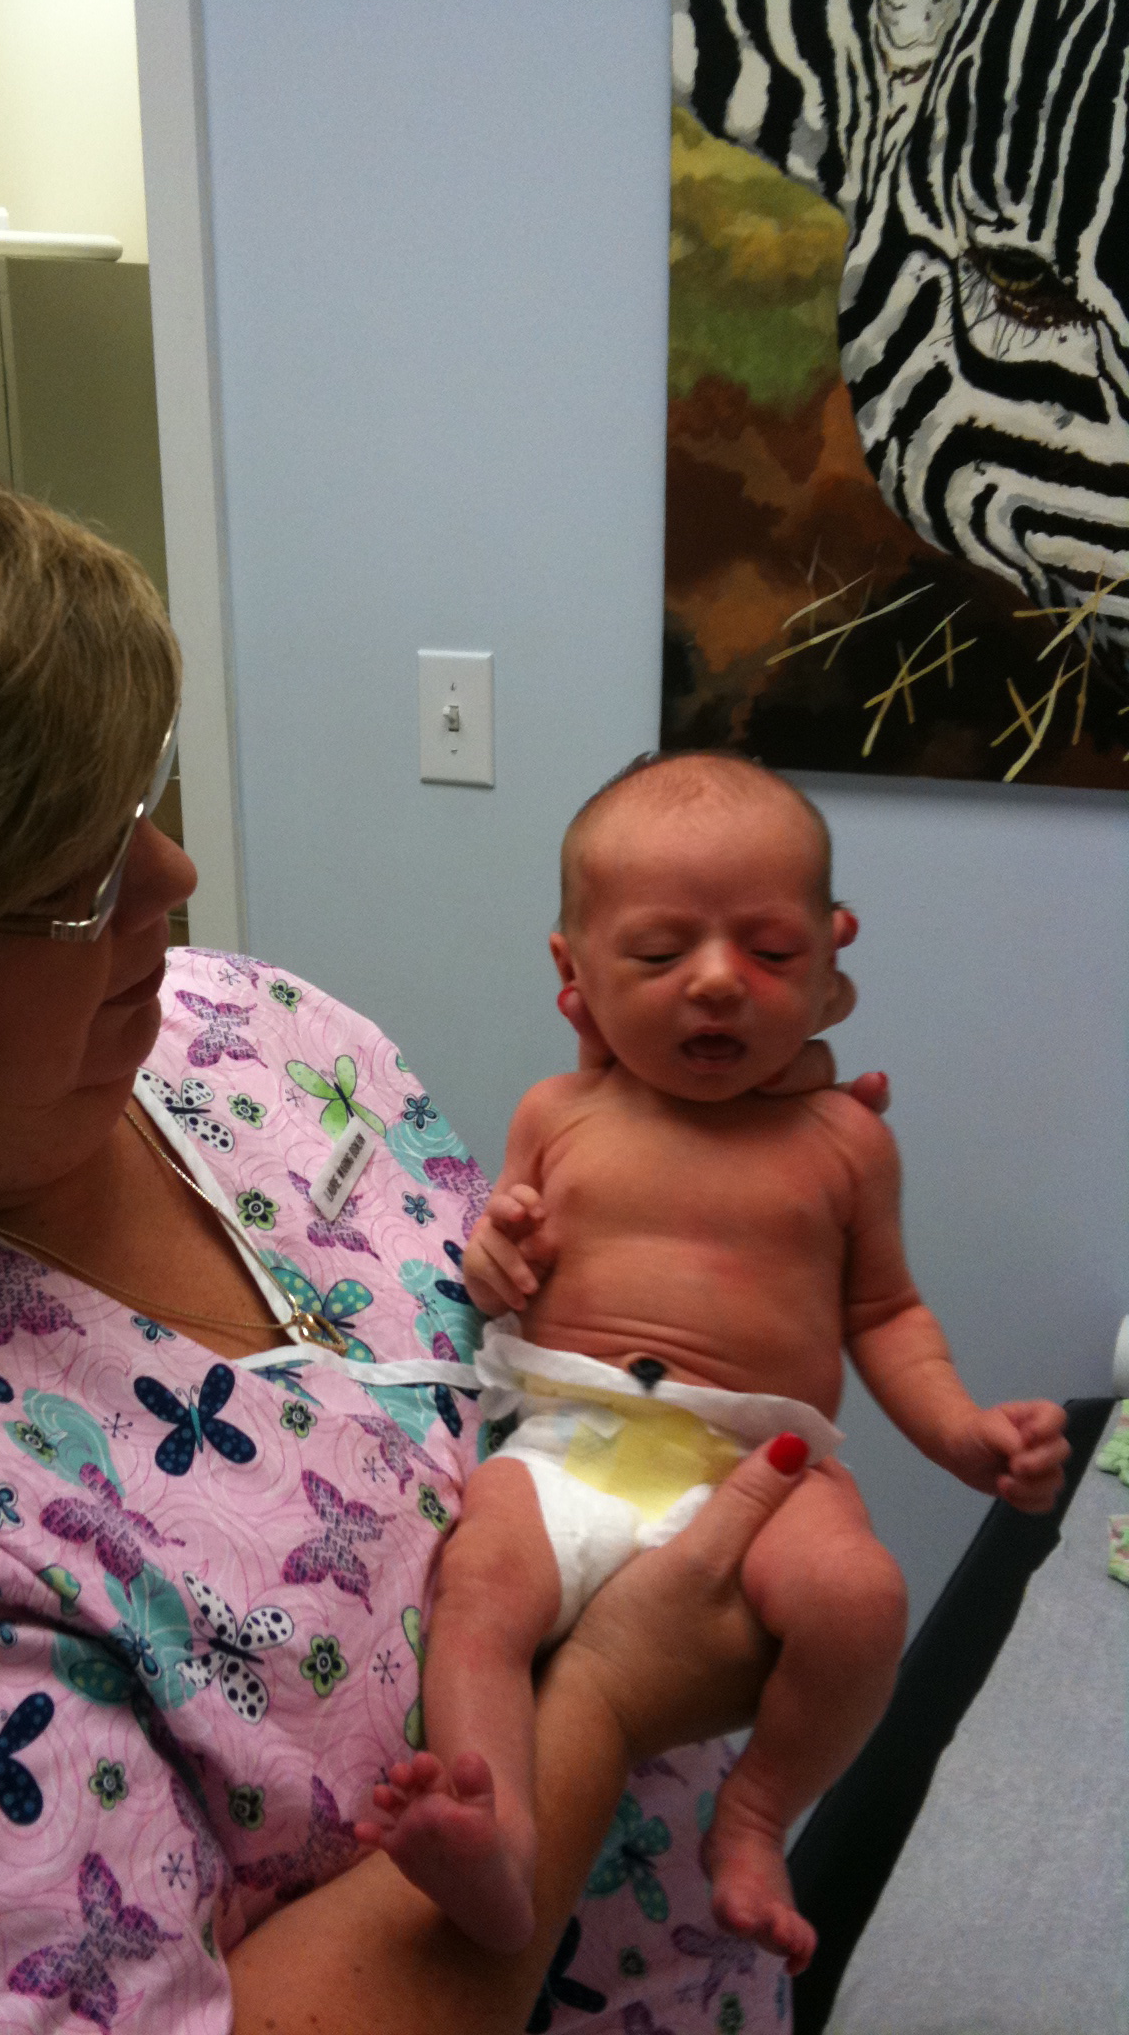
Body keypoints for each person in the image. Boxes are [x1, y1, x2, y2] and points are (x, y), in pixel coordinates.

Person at [0, 365, 835, 2033]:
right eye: (64, 882)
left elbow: (522, 1357)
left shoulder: (244, 1038)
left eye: (139, 797)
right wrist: (605, 1700)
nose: (172, 880)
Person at [361, 754, 1069, 1975]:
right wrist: (496, 1258)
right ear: (574, 972)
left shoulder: (843, 1139)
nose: (719, 981)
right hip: (574, 1439)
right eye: (657, 952)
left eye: (772, 950)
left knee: (862, 1598)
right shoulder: (559, 1112)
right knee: (477, 1589)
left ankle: (755, 1813)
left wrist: (963, 1432)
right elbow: (492, 1266)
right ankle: (498, 1827)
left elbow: (888, 1312)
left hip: (763, 1459)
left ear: (834, 964)